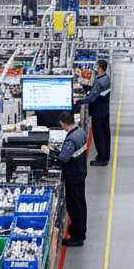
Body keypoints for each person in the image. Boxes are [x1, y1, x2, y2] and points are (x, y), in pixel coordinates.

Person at [43, 110, 89, 247]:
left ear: (63, 124)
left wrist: (48, 151)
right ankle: (82, 231)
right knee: (81, 203)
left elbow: (63, 158)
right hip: (81, 173)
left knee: (74, 206)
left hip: (73, 177)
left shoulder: (70, 139)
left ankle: (76, 238)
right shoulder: (80, 132)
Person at [79, 59, 112, 166]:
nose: (95, 69)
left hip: (98, 112)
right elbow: (98, 92)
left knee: (98, 135)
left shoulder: (98, 81)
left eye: (96, 67)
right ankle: (106, 155)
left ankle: (102, 159)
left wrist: (78, 101)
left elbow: (91, 98)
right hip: (105, 110)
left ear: (100, 68)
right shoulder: (106, 78)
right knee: (106, 133)